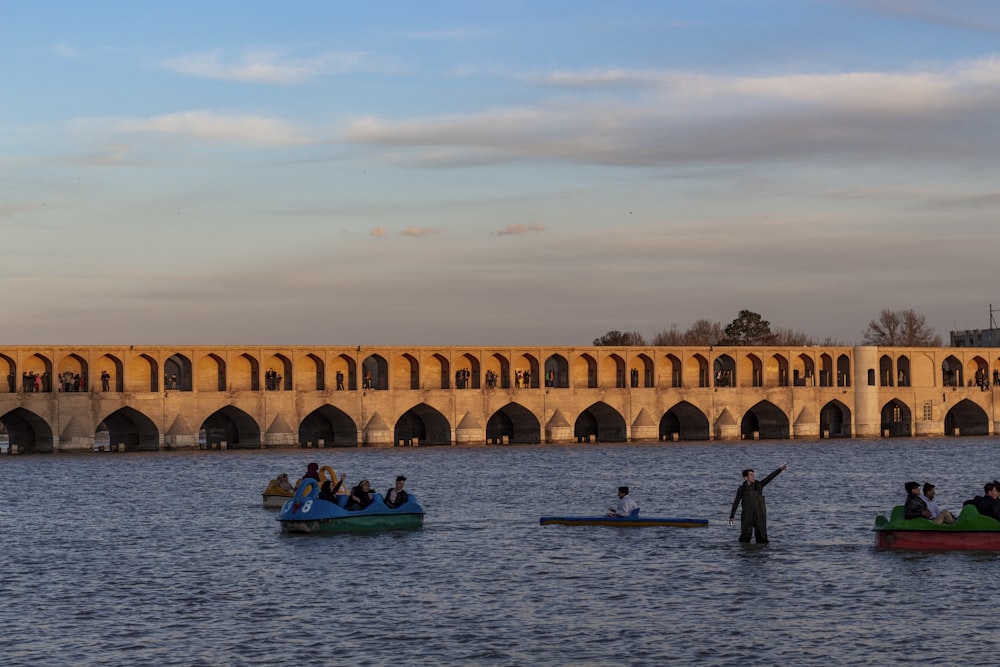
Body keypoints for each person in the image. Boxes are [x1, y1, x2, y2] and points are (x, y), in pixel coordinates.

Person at [728, 464, 788, 543]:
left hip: (759, 516)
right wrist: (732, 516)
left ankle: (761, 553)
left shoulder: (759, 485)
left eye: (753, 475)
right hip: (747, 516)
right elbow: (736, 502)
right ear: (746, 478)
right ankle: (743, 552)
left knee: (762, 538)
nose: (753, 476)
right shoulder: (742, 489)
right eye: (751, 475)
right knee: (745, 538)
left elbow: (769, 478)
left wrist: (779, 470)